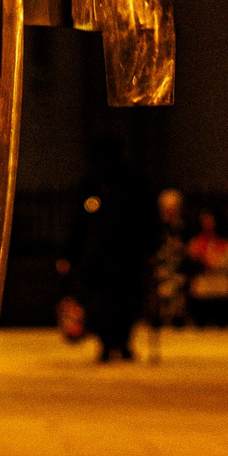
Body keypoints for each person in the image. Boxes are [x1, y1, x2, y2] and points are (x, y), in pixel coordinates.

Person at [60, 150, 156, 361]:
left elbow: (78, 225)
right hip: (112, 259)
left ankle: (117, 342)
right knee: (109, 304)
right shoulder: (111, 184)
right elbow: (79, 224)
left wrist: (70, 253)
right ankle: (111, 342)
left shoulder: (118, 184)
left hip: (117, 257)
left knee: (118, 303)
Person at [186, 208, 228, 328]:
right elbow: (191, 259)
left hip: (222, 287)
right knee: (201, 324)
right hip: (202, 288)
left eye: (210, 221)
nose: (207, 225)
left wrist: (217, 264)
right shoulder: (196, 242)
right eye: (204, 222)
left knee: (223, 324)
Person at [148, 188, 188, 354]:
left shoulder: (183, 226)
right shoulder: (156, 226)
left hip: (177, 269)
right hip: (160, 269)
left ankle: (178, 321)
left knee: (177, 299)